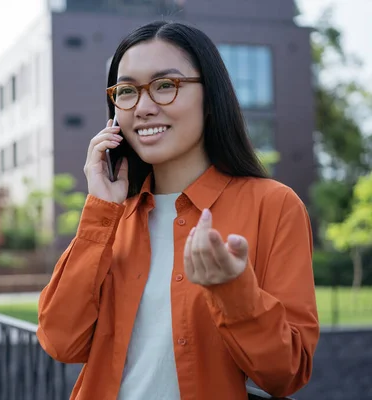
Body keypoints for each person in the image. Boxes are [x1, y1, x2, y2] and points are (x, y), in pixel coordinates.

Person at [36, 20, 319, 400]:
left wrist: (234, 292)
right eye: (127, 91)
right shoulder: (113, 215)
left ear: (210, 96)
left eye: (166, 86)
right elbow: (60, 341)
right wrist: (100, 210)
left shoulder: (274, 205)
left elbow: (286, 373)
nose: (144, 107)